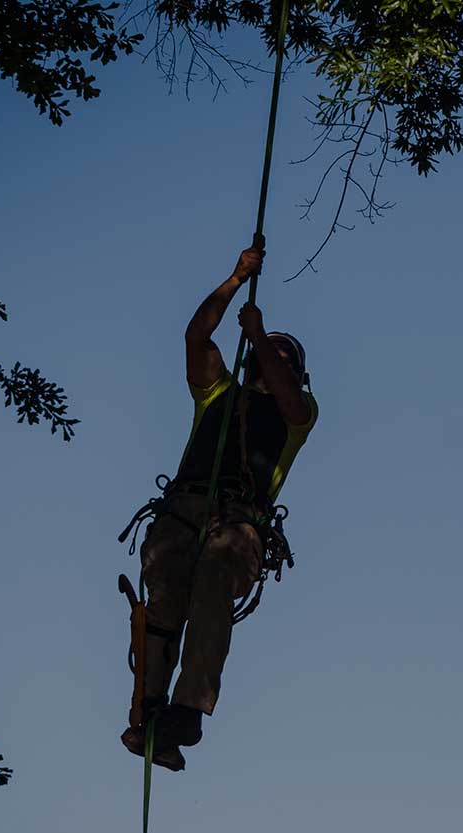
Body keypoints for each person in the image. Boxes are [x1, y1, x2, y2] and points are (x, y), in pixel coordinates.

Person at [122, 237, 317, 770]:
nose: (272, 360)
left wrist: (258, 336)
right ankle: (152, 711)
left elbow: (289, 397)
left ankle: (188, 710)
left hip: (237, 522)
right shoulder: (217, 393)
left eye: (284, 358)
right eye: (268, 354)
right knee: (165, 598)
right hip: (183, 512)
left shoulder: (299, 415)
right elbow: (196, 337)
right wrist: (235, 280)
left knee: (212, 583)